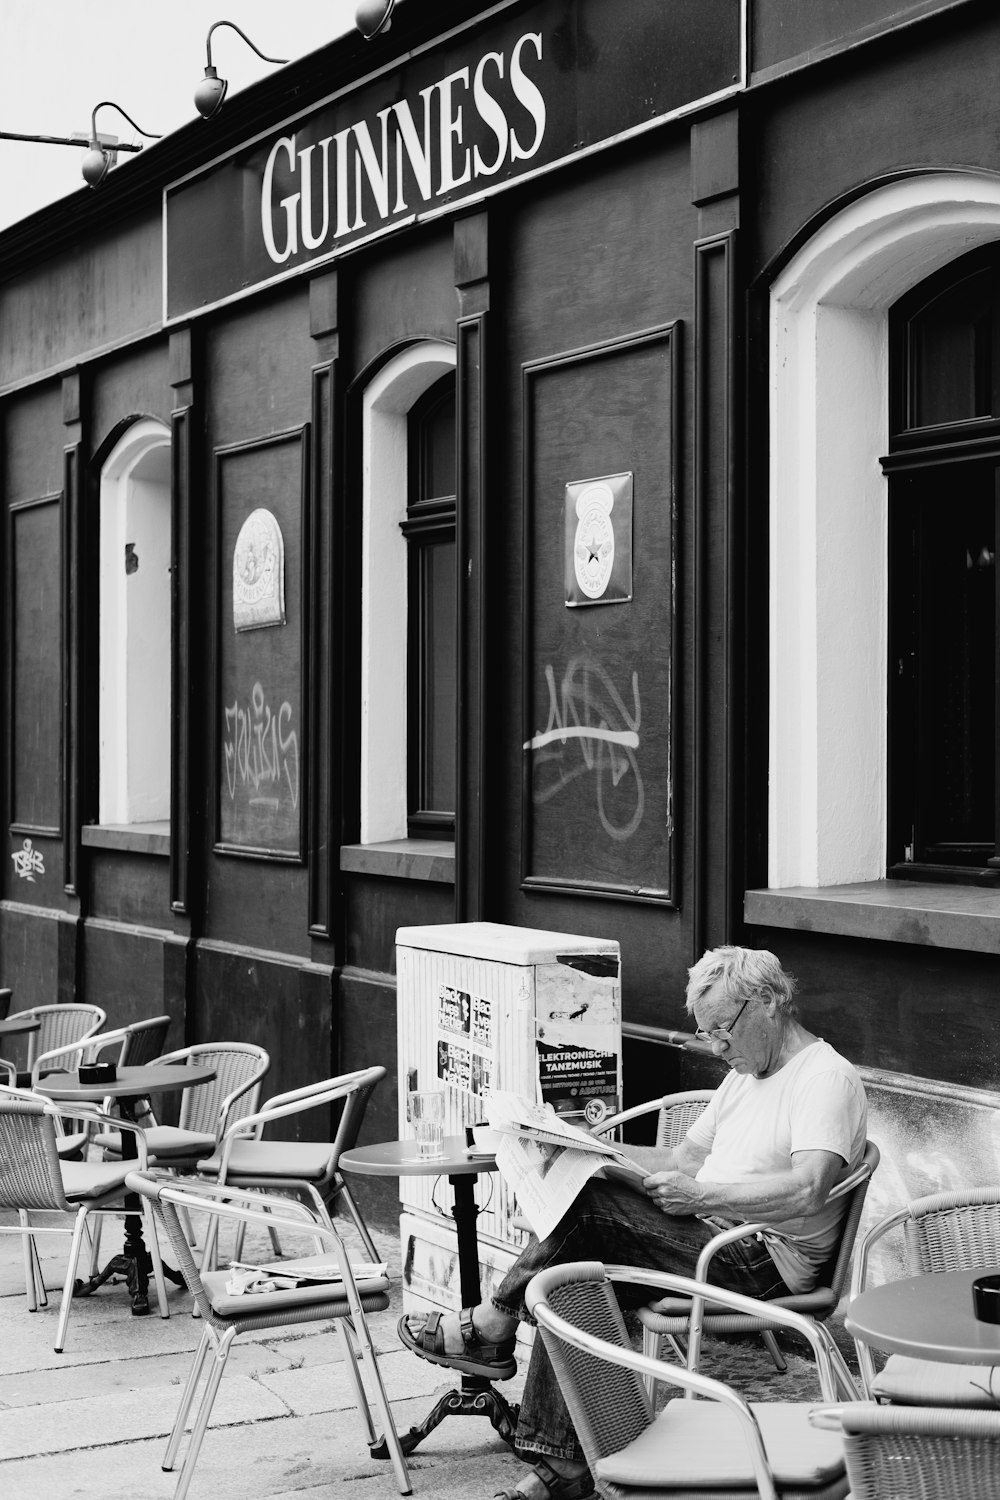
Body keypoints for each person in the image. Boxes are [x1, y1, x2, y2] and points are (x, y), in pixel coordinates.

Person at [398, 946, 868, 1500]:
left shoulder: (824, 1078)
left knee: (588, 1219)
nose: (717, 1048)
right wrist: (586, 1148)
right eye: (707, 1035)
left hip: (759, 1259)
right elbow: (681, 1162)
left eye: (723, 1030)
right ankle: (563, 1467)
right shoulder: (746, 1073)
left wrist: (700, 1196)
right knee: (576, 1259)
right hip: (710, 1235)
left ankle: (494, 1325)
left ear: (766, 1001)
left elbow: (807, 1190)